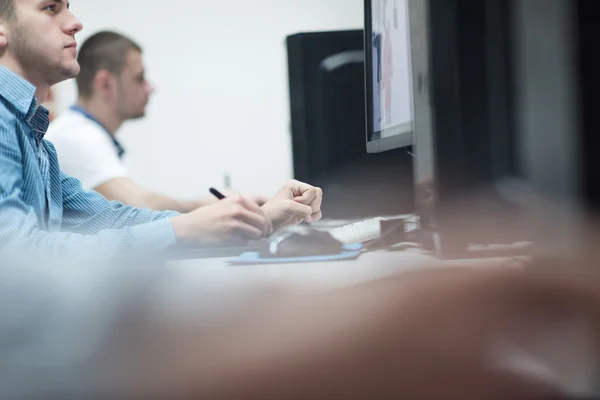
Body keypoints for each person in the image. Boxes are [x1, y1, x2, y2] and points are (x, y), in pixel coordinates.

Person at [0, 0, 322, 262]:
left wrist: (254, 219)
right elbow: (18, 259)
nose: (75, 22)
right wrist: (187, 228)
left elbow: (114, 217)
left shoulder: (38, 142)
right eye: (51, 8)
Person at [46, 30, 267, 212]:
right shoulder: (77, 136)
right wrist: (214, 205)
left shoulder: (83, 132)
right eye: (139, 78)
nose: (151, 88)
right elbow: (141, 206)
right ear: (105, 84)